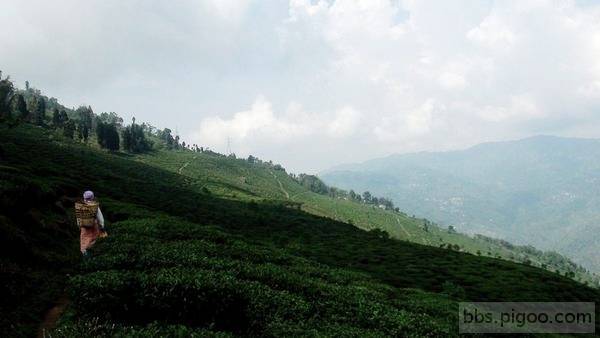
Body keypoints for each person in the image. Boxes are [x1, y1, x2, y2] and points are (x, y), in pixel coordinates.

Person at [75, 190, 106, 255]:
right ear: (92, 197)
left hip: (84, 227)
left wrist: (79, 225)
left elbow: (78, 217)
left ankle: (85, 254)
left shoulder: (81, 206)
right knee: (95, 238)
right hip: (94, 225)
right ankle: (95, 254)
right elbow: (100, 218)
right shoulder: (94, 206)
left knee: (84, 240)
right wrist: (102, 226)